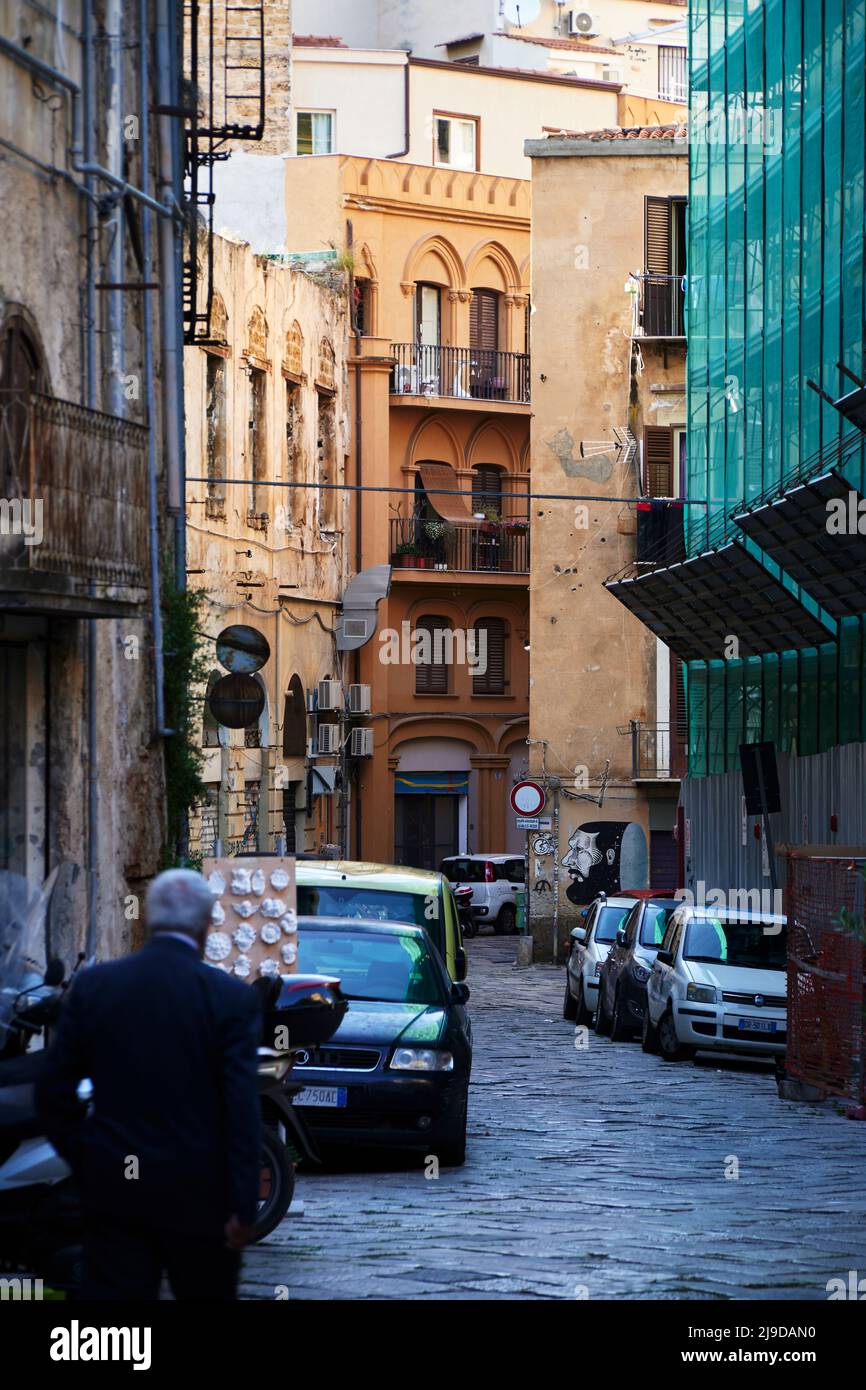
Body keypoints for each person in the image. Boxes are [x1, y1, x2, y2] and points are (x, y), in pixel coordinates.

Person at [38, 868, 261, 1300]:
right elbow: (240, 1107)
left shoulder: (96, 987)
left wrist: (88, 1159)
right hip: (201, 1196)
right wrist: (243, 1200)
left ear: (146, 920)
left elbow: (52, 1091)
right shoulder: (230, 998)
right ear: (206, 922)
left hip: (117, 1189)